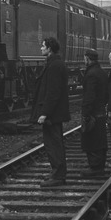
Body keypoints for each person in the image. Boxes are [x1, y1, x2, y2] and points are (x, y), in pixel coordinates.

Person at [35, 37, 70, 187]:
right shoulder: (55, 64)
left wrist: (45, 113)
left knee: (53, 144)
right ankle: (57, 172)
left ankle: (58, 175)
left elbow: (53, 92)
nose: (41, 48)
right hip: (54, 113)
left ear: (49, 48)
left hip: (53, 115)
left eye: (43, 46)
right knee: (54, 143)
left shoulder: (55, 66)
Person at [80, 48, 108, 176]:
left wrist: (86, 113)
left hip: (93, 113)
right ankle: (100, 165)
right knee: (100, 139)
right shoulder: (101, 72)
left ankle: (95, 167)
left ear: (87, 58)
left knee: (92, 139)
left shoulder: (91, 74)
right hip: (101, 110)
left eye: (84, 58)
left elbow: (89, 96)